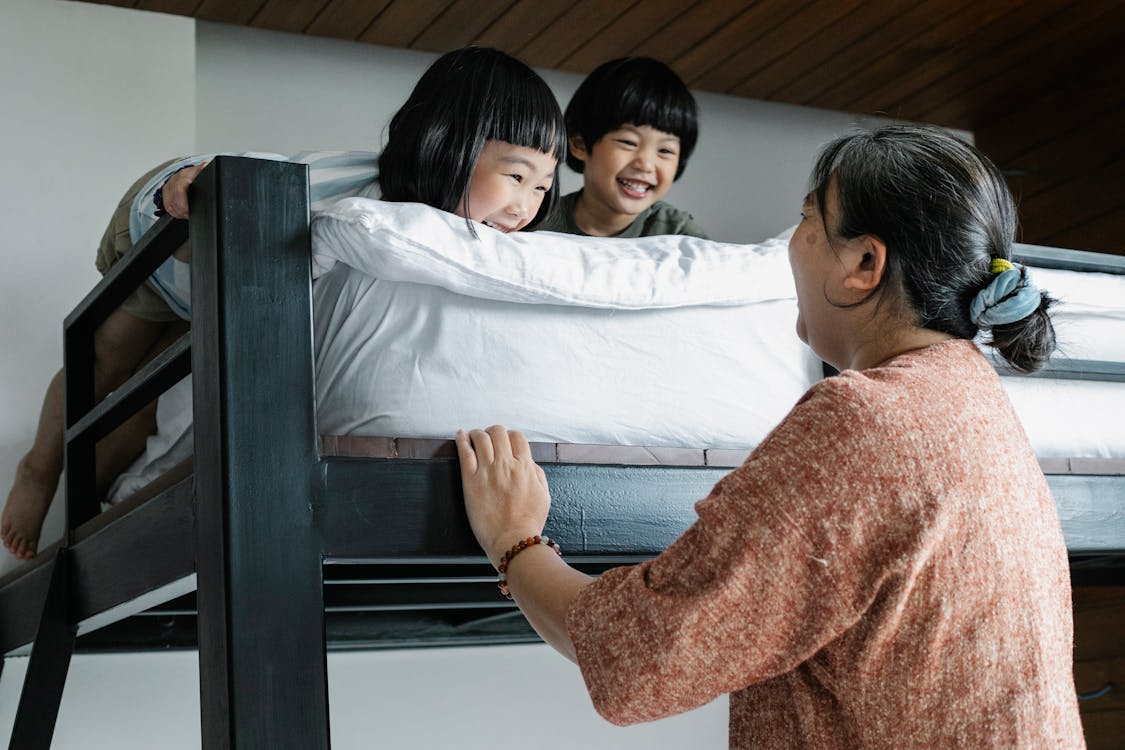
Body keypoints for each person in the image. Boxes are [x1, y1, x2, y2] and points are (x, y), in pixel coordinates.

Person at [456, 125, 1085, 747]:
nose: (794, 240)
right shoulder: (976, 402)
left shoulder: (863, 420)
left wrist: (515, 541)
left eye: (808, 218)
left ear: (865, 263)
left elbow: (640, 659)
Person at [1, 45, 566, 561]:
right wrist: (186, 183)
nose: (525, 204)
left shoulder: (446, 238)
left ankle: (82, 518)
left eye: (542, 186)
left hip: (222, 287)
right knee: (107, 365)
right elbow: (236, 176)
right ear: (445, 144)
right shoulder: (349, 188)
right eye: (515, 175)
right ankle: (37, 471)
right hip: (169, 245)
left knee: (147, 405)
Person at [536, 56, 707, 239]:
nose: (646, 164)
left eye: (665, 151)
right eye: (629, 142)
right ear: (580, 144)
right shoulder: (536, 222)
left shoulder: (680, 236)